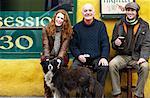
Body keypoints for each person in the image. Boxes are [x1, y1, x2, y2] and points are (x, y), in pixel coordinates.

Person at [109, 2, 150, 98]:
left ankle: (138, 95)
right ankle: (117, 93)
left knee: (145, 67)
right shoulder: (119, 24)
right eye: (128, 10)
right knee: (112, 64)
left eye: (132, 10)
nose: (130, 12)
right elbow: (113, 43)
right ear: (125, 11)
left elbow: (147, 43)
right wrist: (116, 43)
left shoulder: (144, 25)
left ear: (136, 12)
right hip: (123, 56)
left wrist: (143, 57)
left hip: (137, 57)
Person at [69, 3, 110, 89]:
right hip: (81, 58)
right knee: (74, 68)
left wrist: (103, 57)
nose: (88, 13)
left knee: (103, 67)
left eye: (90, 10)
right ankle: (80, 92)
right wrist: (78, 55)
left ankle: (99, 92)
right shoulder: (77, 27)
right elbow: (73, 46)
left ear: (94, 12)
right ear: (82, 13)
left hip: (96, 57)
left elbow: (105, 44)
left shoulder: (100, 26)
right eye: (85, 11)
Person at [40, 9, 73, 98]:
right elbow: (45, 44)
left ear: (65, 21)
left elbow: (64, 48)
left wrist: (59, 58)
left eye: (62, 18)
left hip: (61, 57)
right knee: (47, 71)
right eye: (58, 17)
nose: (59, 19)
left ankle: (62, 94)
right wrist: (47, 57)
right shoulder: (46, 29)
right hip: (49, 55)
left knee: (61, 75)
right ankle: (48, 94)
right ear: (54, 18)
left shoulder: (68, 32)